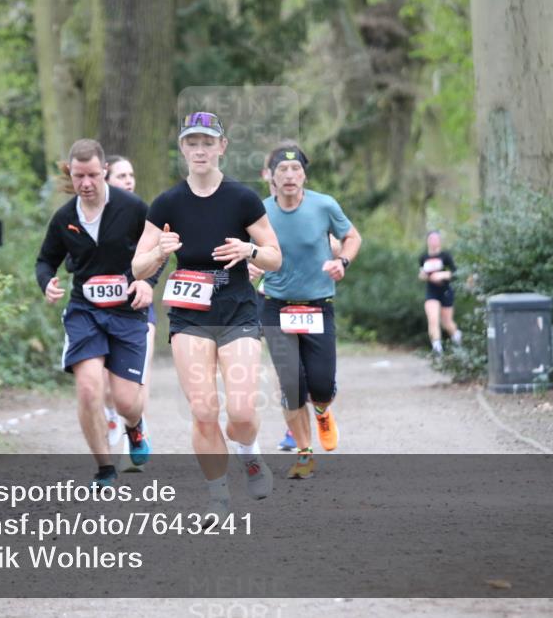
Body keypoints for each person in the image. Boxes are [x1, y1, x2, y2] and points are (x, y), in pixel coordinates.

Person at [132, 111, 282, 518]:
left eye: (207, 142)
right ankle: (217, 494)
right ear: (182, 148)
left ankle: (249, 453)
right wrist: (160, 251)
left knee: (243, 413)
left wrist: (249, 250)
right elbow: (138, 268)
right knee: (202, 410)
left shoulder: (242, 199)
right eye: (191, 143)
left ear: (221, 147)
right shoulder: (166, 203)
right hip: (190, 313)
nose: (199, 150)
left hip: (236, 310)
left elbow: (274, 256)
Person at [35, 139, 154, 490]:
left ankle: (134, 426)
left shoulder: (133, 208)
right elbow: (45, 260)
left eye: (91, 175)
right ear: (70, 175)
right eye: (78, 176)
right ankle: (104, 468)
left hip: (127, 312)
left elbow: (158, 248)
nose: (85, 183)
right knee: (88, 390)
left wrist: (148, 282)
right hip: (85, 311)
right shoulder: (65, 217)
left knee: (126, 402)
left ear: (103, 171)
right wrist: (47, 283)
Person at [256, 143, 361, 478]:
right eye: (282, 170)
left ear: (304, 174)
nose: (289, 176)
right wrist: (250, 264)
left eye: (296, 169)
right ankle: (304, 453)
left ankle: (322, 410)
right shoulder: (259, 212)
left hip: (317, 304)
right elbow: (247, 248)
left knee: (320, 383)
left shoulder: (324, 205)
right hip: (275, 306)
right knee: (290, 383)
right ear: (270, 175)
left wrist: (341, 261)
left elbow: (353, 237)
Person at [102, 156, 155, 471]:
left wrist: (146, 282)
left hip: (137, 310)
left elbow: (157, 256)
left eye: (131, 175)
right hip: (99, 313)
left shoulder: (142, 217)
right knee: (106, 386)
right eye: (121, 175)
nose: (129, 180)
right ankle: (113, 424)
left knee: (133, 388)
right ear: (104, 180)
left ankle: (135, 426)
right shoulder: (89, 217)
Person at [419, 230, 462, 354]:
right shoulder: (423, 257)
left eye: (436, 238)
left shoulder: (446, 256)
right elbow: (422, 274)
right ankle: (437, 348)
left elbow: (456, 273)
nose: (433, 241)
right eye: (431, 238)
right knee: (432, 318)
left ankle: (457, 337)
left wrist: (442, 274)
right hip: (431, 292)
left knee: (447, 323)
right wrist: (424, 276)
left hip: (446, 291)